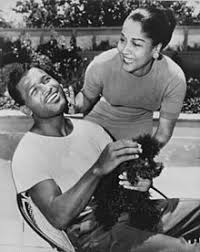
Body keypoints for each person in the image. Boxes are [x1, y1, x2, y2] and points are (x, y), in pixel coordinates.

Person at [9, 65, 200, 252]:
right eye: (35, 90)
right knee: (183, 249)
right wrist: (97, 170)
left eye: (46, 79)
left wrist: (139, 182)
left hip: (129, 212)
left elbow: (123, 180)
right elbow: (59, 217)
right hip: (92, 232)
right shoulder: (29, 153)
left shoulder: (91, 129)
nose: (47, 88)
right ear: (26, 109)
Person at [67, 6, 186, 147]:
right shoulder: (103, 64)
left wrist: (145, 155)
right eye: (123, 39)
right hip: (97, 125)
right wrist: (75, 106)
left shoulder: (173, 79)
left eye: (136, 44)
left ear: (156, 49)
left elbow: (163, 133)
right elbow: (87, 97)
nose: (124, 50)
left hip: (137, 135)